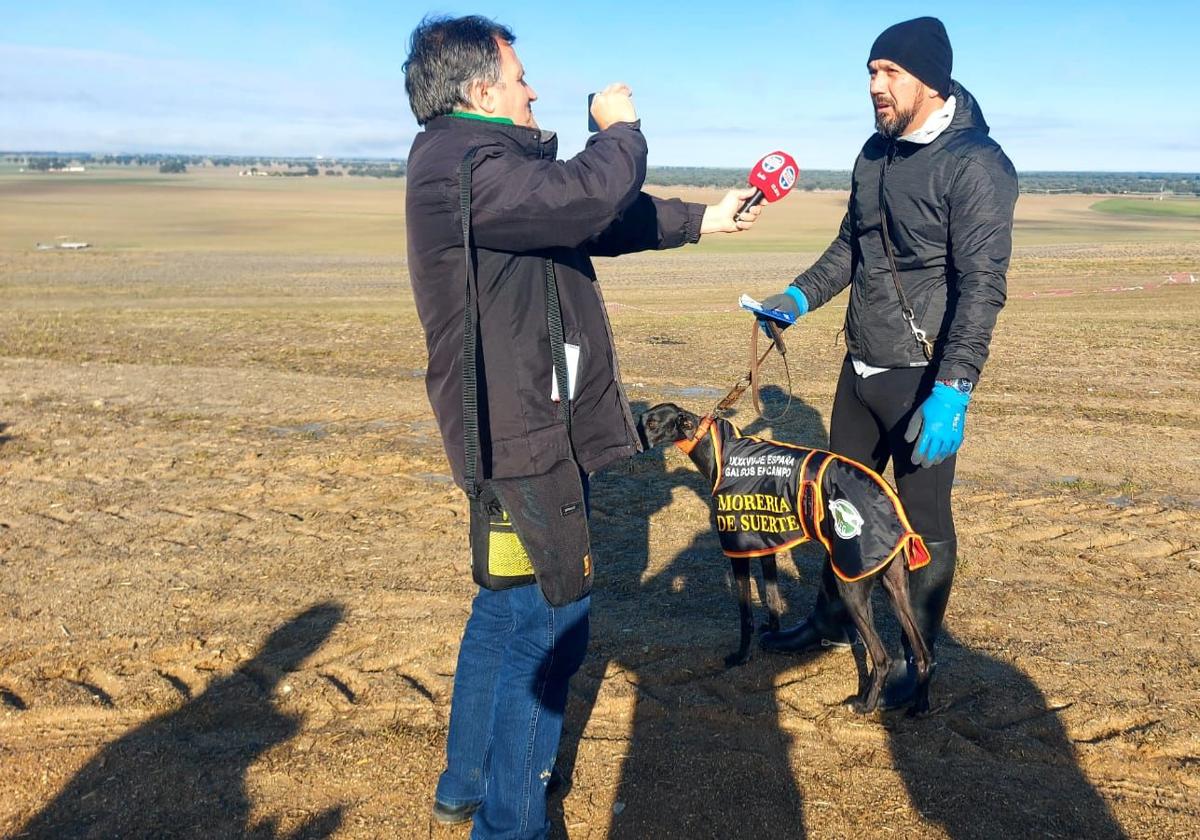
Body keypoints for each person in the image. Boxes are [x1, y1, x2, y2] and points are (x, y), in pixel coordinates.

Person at [402, 15, 760, 838]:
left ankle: (466, 784)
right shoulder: (462, 168)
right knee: (553, 624)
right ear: (480, 90)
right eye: (520, 75)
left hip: (512, 429)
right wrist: (621, 129)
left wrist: (703, 218)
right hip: (525, 440)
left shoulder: (472, 168)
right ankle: (510, 824)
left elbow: (590, 216)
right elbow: (587, 193)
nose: (532, 88)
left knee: (504, 606)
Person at [755, 16, 1017, 709]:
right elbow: (852, 248)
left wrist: (954, 386)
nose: (875, 84)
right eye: (871, 71)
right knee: (838, 504)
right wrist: (796, 296)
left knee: (921, 525)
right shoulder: (873, 154)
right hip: (860, 366)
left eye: (890, 72)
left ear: (929, 80)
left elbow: (981, 286)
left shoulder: (977, 164)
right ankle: (834, 620)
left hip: (923, 378)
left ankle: (916, 661)